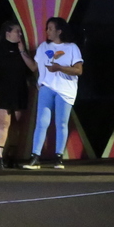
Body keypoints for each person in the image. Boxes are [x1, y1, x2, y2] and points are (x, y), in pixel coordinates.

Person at [23, 17, 84, 170]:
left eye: (50, 28)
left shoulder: (72, 48)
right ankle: (35, 156)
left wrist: (60, 68)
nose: (47, 31)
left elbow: (78, 70)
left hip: (65, 90)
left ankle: (58, 157)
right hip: (47, 87)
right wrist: (21, 51)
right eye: (47, 28)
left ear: (59, 31)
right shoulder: (43, 47)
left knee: (61, 123)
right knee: (42, 122)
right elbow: (34, 67)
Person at [0, 21, 37, 168]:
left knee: (16, 125)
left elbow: (33, 68)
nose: (20, 34)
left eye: (20, 32)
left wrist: (22, 51)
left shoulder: (21, 50)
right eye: (17, 32)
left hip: (19, 90)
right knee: (3, 123)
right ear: (8, 33)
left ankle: (11, 156)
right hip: (2, 91)